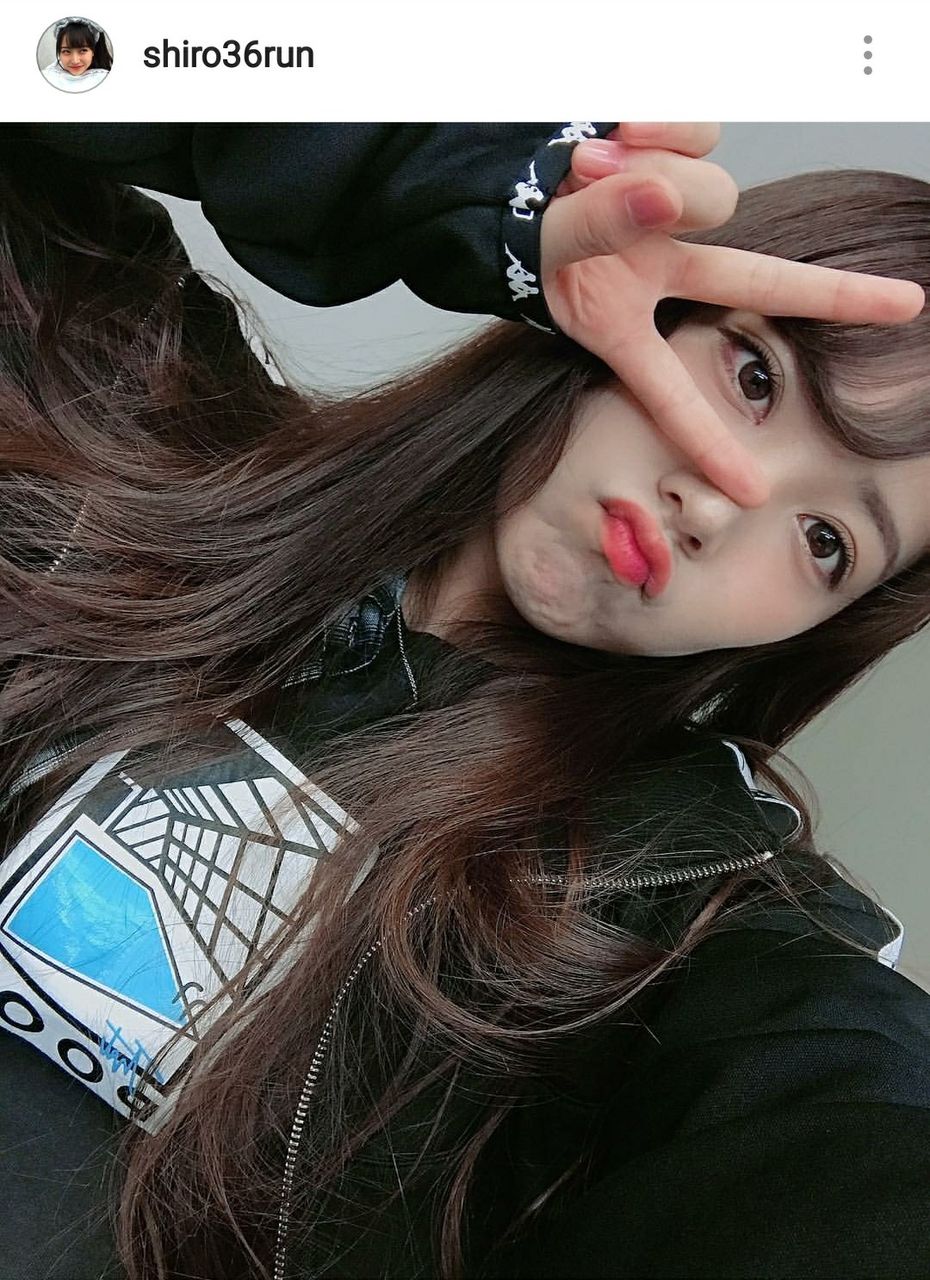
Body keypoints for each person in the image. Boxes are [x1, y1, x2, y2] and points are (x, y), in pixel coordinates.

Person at [0, 129, 927, 1280]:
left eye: (826, 539)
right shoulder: (127, 389)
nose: (726, 503)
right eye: (755, 379)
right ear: (648, 301)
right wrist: (462, 182)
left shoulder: (697, 923)